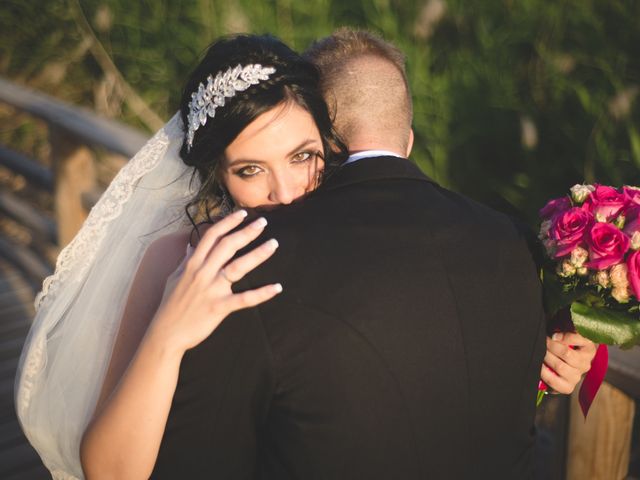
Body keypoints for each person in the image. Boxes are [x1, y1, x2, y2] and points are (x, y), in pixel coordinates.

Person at [16, 32, 594, 479]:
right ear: (216, 176)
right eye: (250, 171)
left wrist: (541, 364)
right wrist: (169, 331)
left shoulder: (356, 243)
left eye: (302, 157)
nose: (285, 193)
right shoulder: (181, 258)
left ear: (332, 146)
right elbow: (111, 470)